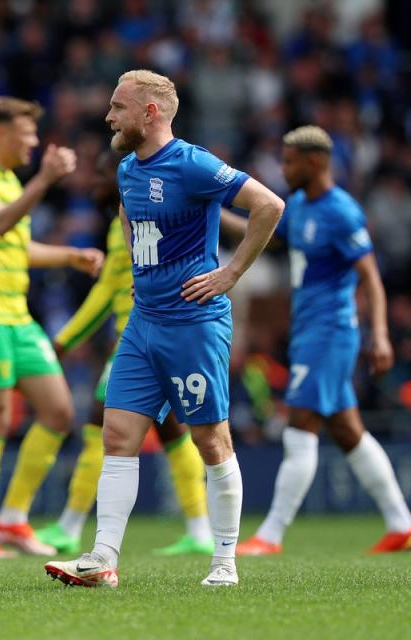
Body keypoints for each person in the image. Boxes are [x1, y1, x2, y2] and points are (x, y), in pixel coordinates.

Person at [44, 69, 284, 588]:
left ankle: (224, 561)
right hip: (143, 323)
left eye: (118, 107)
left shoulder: (193, 163)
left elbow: (270, 205)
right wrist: (140, 270)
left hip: (194, 323)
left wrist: (231, 273)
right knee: (116, 434)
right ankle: (102, 558)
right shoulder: (128, 168)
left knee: (211, 441)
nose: (108, 116)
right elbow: (131, 218)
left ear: (149, 113)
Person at [227, 126, 411, 556]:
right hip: (308, 331)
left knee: (300, 428)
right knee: (348, 431)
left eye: (290, 161)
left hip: (331, 332)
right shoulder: (298, 205)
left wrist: (381, 334)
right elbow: (269, 235)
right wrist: (210, 213)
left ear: (315, 162)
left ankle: (271, 535)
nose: (283, 168)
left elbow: (370, 276)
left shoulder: (341, 212)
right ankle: (402, 525)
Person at [0, 96, 104, 558]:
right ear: (0, 134)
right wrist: (46, 179)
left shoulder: (8, 180)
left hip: (15, 314)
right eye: (27, 133)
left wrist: (69, 256)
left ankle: (12, 518)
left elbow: (15, 246)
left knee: (57, 412)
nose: (34, 141)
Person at [35, 151, 214, 557]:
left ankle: (70, 526)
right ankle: (200, 530)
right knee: (173, 435)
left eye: (100, 174)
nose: (96, 182)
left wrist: (63, 341)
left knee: (99, 427)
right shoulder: (141, 214)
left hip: (138, 341)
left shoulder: (129, 223)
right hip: (160, 336)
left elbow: (103, 295)